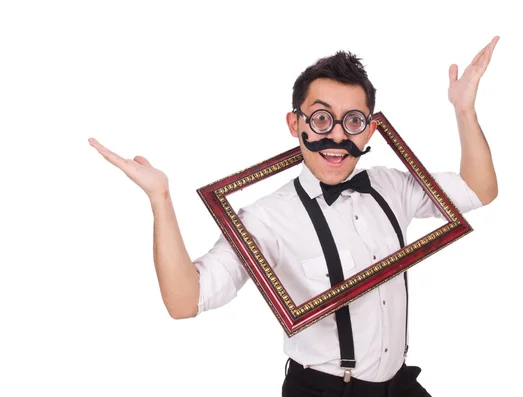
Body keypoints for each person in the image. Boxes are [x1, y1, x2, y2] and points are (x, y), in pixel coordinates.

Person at [89, 36, 499, 397]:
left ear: (370, 130)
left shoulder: (391, 186)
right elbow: (185, 301)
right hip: (325, 391)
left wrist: (464, 109)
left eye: (352, 121)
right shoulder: (265, 219)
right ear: (295, 123)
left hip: (399, 383)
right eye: (321, 118)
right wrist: (160, 198)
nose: (336, 135)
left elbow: (478, 190)